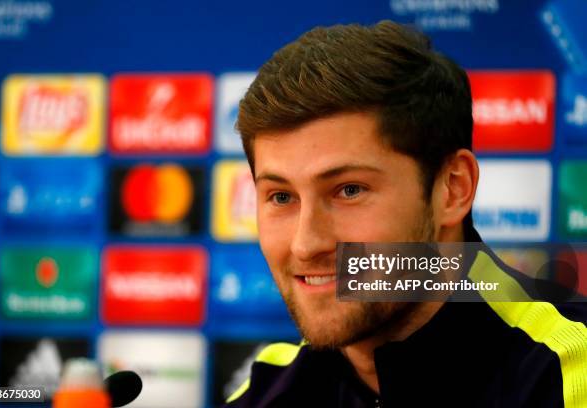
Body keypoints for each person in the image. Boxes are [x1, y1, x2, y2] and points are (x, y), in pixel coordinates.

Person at [223, 20, 587, 407]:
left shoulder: (565, 378)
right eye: (281, 197)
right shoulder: (264, 393)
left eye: (349, 190)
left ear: (452, 188)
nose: (305, 243)